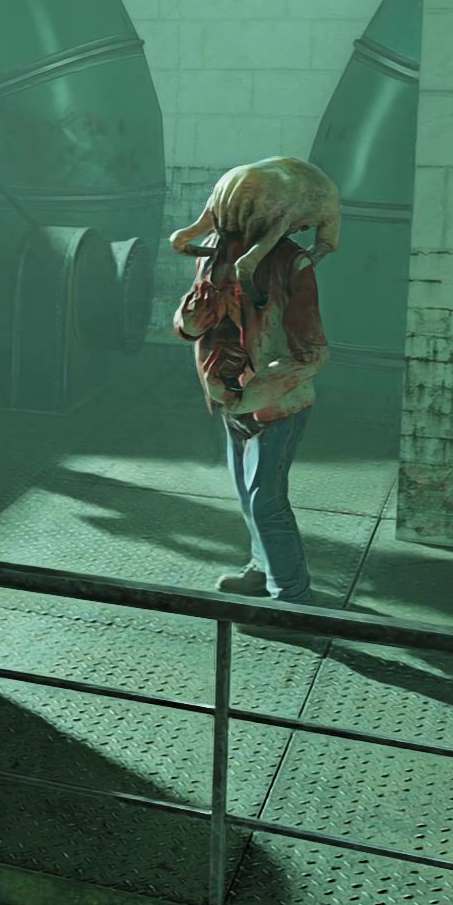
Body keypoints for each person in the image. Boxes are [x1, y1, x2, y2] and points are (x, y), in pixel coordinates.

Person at [173, 157, 337, 608]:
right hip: (229, 396)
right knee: (248, 494)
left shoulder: (292, 264)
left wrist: (254, 392)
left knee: (267, 500)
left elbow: (311, 351)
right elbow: (188, 326)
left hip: (275, 406)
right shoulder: (214, 248)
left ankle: (292, 598)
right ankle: (264, 570)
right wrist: (192, 318)